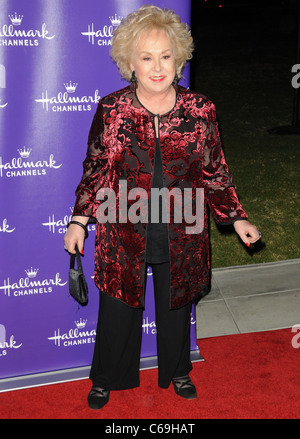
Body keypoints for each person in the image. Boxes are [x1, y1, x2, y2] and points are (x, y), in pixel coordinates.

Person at [64, 5, 261, 410]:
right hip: (124, 222)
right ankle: (107, 377)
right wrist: (79, 220)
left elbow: (214, 169)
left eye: (166, 56)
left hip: (183, 221)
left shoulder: (200, 110)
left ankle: (178, 370)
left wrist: (237, 216)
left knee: (175, 304)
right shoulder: (112, 110)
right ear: (129, 63)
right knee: (118, 307)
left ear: (180, 58)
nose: (158, 67)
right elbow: (96, 169)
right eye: (147, 57)